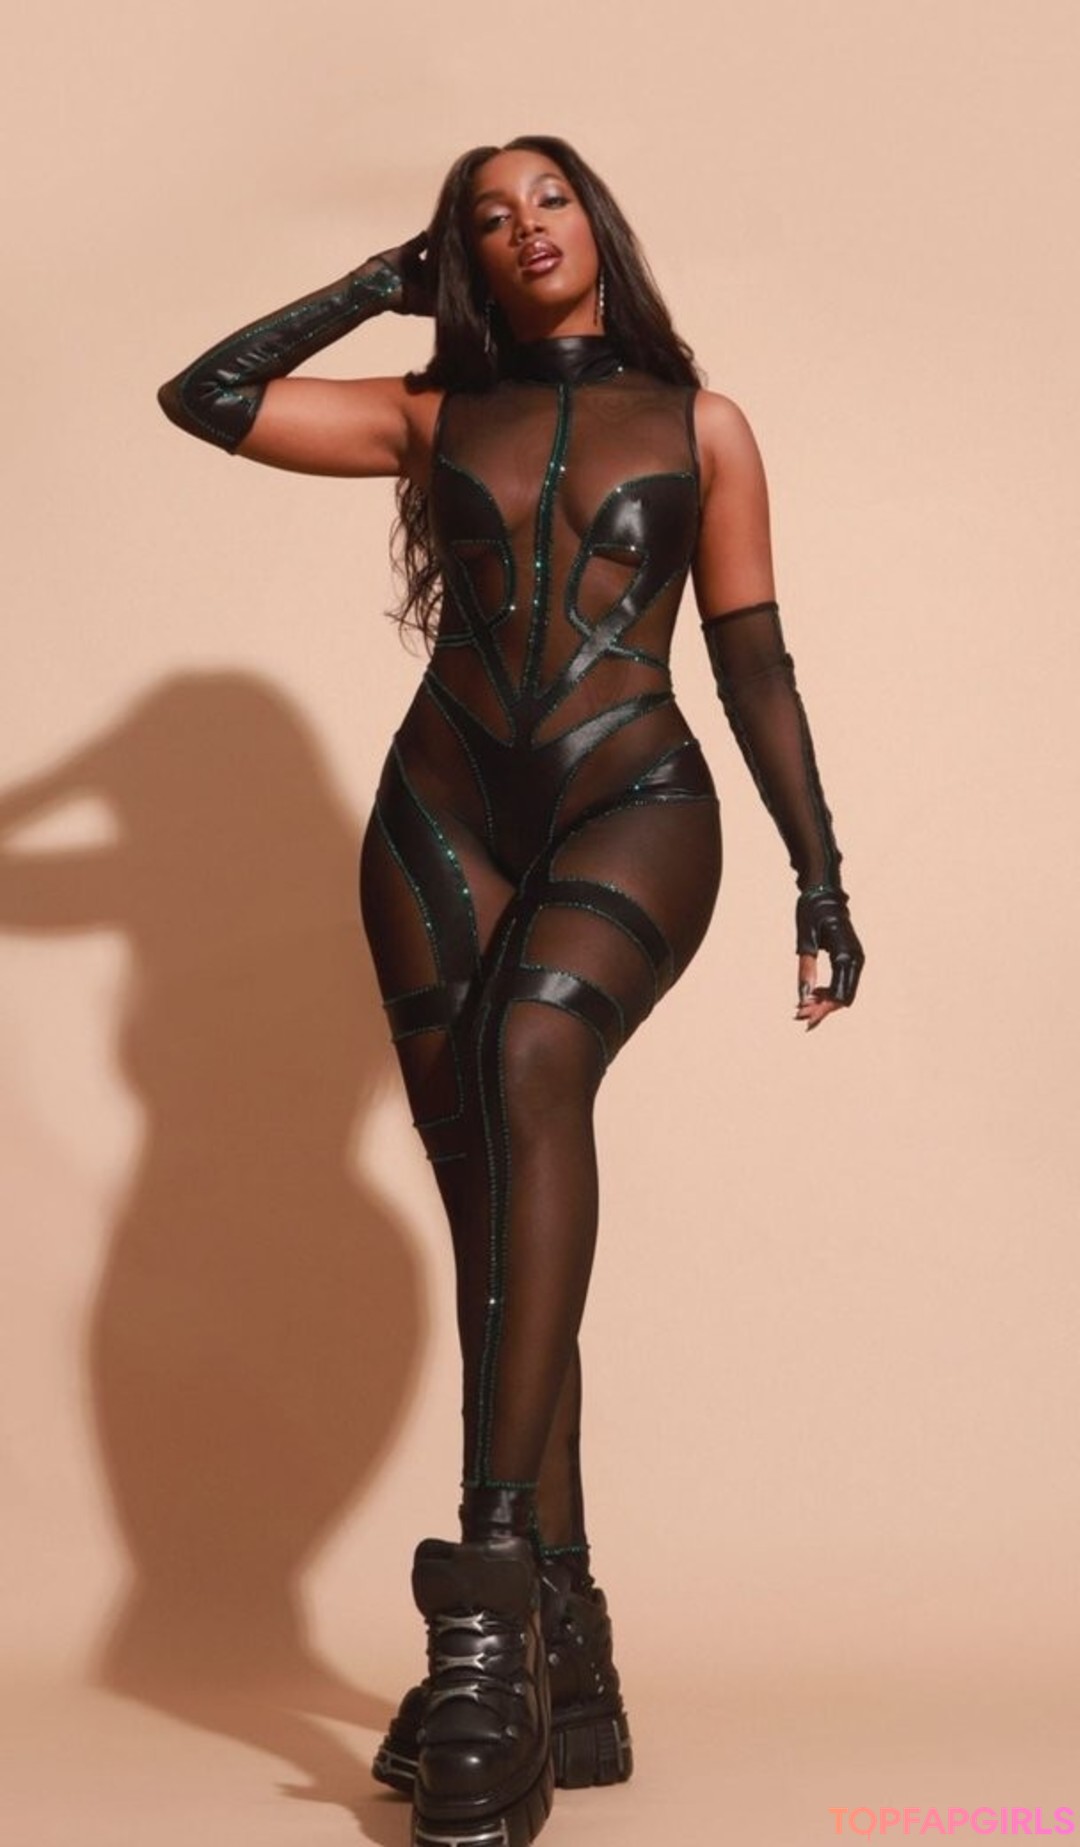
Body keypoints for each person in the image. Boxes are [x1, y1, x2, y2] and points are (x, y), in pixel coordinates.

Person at [158, 134, 864, 1847]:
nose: (521, 228)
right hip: (440, 816)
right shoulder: (427, 413)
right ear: (461, 256)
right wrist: (373, 288)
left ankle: (481, 1612)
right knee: (494, 1229)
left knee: (534, 1052)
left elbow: (755, 661)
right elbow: (207, 397)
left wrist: (821, 873)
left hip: (637, 800)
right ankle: (570, 1643)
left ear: (596, 224)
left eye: (546, 200)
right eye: (485, 217)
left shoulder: (701, 427)